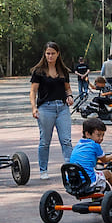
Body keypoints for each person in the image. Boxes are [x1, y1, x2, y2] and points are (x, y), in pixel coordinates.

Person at [30, 41, 76, 180]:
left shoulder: (63, 71)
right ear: (44, 54)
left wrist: (69, 96)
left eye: (53, 53)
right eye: (48, 53)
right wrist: (34, 107)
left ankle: (71, 169)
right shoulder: (38, 72)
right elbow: (33, 91)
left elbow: (67, 88)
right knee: (45, 141)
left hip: (62, 108)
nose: (50, 56)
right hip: (45, 108)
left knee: (66, 140)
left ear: (58, 54)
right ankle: (43, 170)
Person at [68, 116, 112, 203]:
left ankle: (97, 197)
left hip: (74, 182)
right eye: (98, 135)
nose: (101, 138)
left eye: (103, 135)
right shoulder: (95, 146)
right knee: (108, 173)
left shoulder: (79, 145)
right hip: (88, 182)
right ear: (88, 134)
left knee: (98, 173)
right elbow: (105, 160)